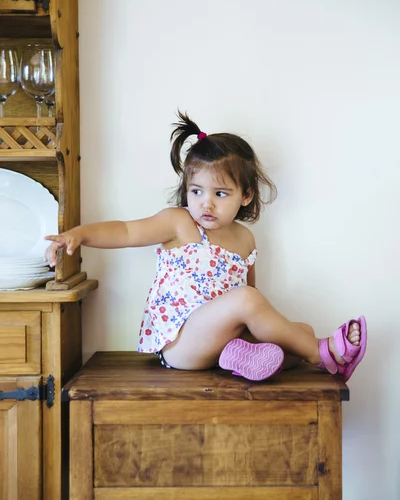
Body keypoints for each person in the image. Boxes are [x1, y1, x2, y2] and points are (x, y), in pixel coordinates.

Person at [44, 111, 367, 381]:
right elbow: (126, 232)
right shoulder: (179, 223)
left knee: (297, 329)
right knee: (294, 333)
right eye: (196, 191)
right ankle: (323, 354)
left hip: (222, 340)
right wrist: (81, 234)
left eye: (220, 194)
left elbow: (248, 299)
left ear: (246, 196)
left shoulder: (245, 239)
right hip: (183, 346)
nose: (205, 204)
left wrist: (257, 329)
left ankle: (240, 359)